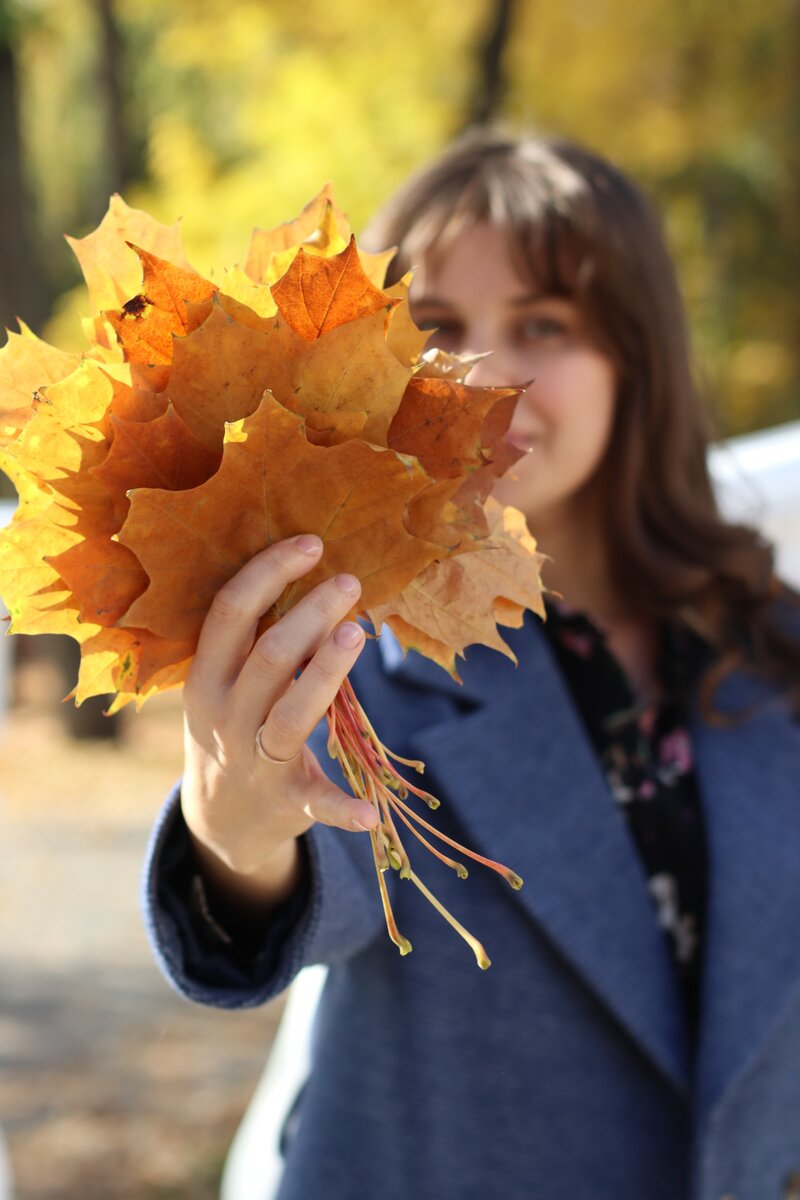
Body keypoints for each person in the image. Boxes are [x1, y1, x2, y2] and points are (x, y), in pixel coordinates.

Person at [142, 128, 800, 1200]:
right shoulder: (345, 639)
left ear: (637, 360)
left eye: (543, 324)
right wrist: (233, 833)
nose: (485, 373)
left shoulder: (768, 648)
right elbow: (307, 877)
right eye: (436, 326)